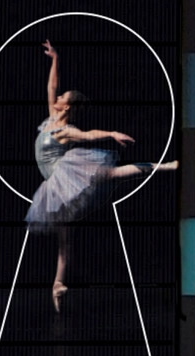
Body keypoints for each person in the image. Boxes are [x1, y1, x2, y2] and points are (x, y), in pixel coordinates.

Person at [28, 39, 177, 311]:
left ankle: (165, 166)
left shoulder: (66, 130)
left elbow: (88, 135)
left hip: (65, 175)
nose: (58, 98)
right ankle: (58, 285)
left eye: (63, 98)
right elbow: (51, 86)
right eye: (60, 97)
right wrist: (55, 59)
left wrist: (110, 133)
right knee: (64, 236)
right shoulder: (51, 116)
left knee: (111, 173)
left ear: (67, 107)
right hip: (55, 183)